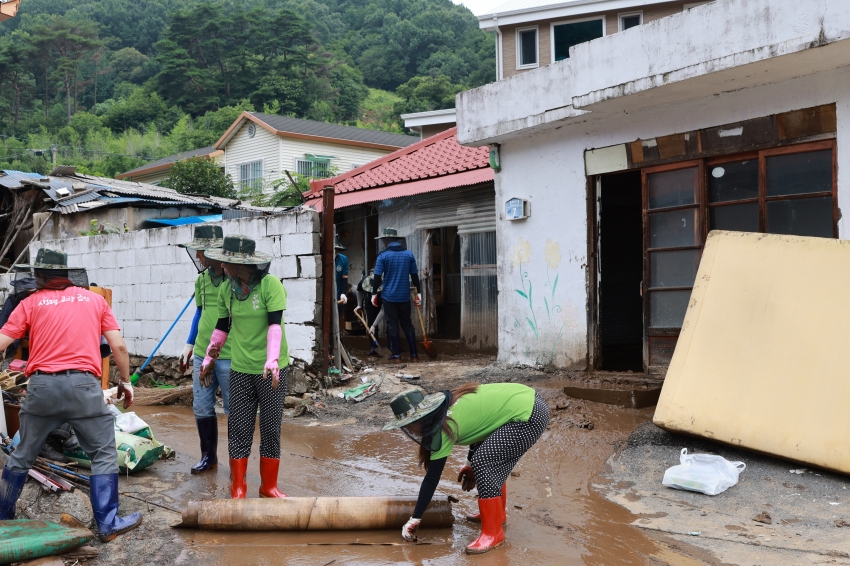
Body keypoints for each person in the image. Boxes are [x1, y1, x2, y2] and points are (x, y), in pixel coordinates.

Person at [0, 249, 142, 542]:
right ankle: (107, 524)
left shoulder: (30, 302)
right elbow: (119, 347)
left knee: (22, 454)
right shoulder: (94, 300)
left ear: (39, 275)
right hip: (83, 388)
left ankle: (3, 519)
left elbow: (2, 343)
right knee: (102, 453)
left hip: (41, 388)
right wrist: (125, 381)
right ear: (68, 274)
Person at [383, 383, 550, 554]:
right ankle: (497, 516)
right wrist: (469, 465)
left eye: (410, 425)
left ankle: (493, 534)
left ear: (422, 418)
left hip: (529, 415)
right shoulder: (446, 406)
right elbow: (482, 428)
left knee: (484, 462)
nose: (411, 430)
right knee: (484, 462)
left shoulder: (444, 425)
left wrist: (415, 518)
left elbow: (432, 478)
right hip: (527, 401)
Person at [200, 235, 290, 499]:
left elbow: (275, 326)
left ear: (243, 265)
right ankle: (238, 487)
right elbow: (222, 327)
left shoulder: (270, 286)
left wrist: (272, 359)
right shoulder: (227, 290)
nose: (223, 267)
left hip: (271, 370)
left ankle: (268, 487)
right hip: (240, 369)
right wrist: (209, 357)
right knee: (239, 427)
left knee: (271, 428)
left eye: (228, 263)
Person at [178, 224, 232, 474]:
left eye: (201, 251)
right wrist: (189, 344)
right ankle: (208, 457)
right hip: (202, 352)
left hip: (230, 355)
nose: (198, 257)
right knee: (201, 406)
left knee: (235, 409)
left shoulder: (235, 281)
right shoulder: (201, 280)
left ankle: (237, 463)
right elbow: (199, 313)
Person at [372, 228, 420, 362]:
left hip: (388, 296)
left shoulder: (382, 256)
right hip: (404, 296)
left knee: (392, 324)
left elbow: (377, 277)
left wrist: (373, 293)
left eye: (383, 240)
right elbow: (415, 276)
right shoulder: (409, 255)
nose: (383, 243)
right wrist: (419, 293)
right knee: (407, 324)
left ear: (386, 241)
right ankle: (414, 355)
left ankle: (397, 355)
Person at [356, 271, 384, 357]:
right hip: (370, 303)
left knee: (391, 323)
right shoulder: (365, 281)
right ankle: (374, 348)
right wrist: (359, 305)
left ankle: (392, 347)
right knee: (370, 322)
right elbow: (359, 290)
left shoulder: (386, 287)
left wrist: (374, 325)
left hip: (383, 302)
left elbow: (384, 310)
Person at [335, 234, 349, 324]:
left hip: (338, 293)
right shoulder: (322, 258)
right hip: (325, 296)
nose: (335, 252)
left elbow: (344, 278)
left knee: (337, 320)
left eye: (336, 249)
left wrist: (343, 293)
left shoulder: (343, 259)